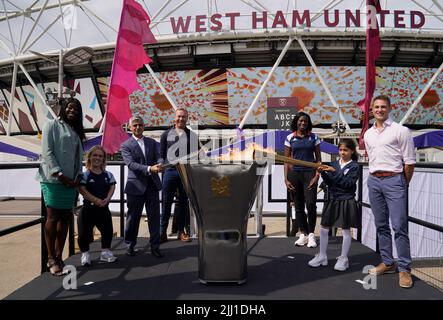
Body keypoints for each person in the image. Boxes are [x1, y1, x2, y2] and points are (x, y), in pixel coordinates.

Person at [364, 94, 416, 289]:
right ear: (372, 109)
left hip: (395, 180)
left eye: (383, 107)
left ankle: (404, 269)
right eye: (376, 107)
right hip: (374, 181)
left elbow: (409, 162)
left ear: (389, 108)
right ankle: (387, 262)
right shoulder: (368, 134)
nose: (379, 110)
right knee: (381, 225)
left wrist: (403, 183)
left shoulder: (401, 131)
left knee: (399, 226)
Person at [36, 97, 85, 275]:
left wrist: (78, 175)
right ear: (63, 108)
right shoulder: (51, 124)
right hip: (53, 179)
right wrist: (60, 174)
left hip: (71, 182)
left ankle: (59, 256)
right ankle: (50, 259)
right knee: (52, 217)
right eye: (70, 107)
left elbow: (79, 158)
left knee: (65, 218)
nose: (73, 111)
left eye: (76, 109)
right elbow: (47, 152)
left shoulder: (75, 131)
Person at [308, 139, 360, 271]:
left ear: (352, 151)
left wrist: (333, 171)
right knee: (324, 228)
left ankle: (343, 258)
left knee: (345, 230)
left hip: (346, 200)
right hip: (332, 199)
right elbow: (330, 183)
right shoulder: (334, 164)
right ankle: (322, 255)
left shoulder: (354, 166)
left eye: (345, 150)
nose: (342, 152)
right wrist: (323, 173)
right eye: (341, 150)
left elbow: (348, 183)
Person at [121, 116, 163, 258]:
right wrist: (150, 168)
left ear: (144, 126)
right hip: (135, 187)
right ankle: (129, 245)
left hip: (152, 186)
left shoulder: (152, 142)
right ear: (130, 128)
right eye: (135, 125)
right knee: (133, 218)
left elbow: (159, 156)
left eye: (140, 125)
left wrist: (160, 163)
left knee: (154, 218)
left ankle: (155, 246)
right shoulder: (126, 145)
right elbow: (131, 164)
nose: (138, 127)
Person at [159, 108, 198, 243]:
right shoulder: (165, 134)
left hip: (185, 172)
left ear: (187, 119)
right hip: (169, 171)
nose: (181, 119)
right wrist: (160, 164)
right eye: (179, 116)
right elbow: (161, 154)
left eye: (184, 117)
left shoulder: (192, 136)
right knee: (166, 202)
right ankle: (162, 232)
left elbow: (196, 155)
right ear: (174, 117)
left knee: (183, 203)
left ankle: (181, 232)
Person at [284, 112, 321, 248]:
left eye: (305, 121)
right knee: (298, 205)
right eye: (300, 121)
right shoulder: (289, 138)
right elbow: (286, 161)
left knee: (311, 204)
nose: (303, 123)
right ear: (296, 122)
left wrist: (317, 176)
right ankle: (302, 234)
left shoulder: (314, 137)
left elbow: (318, 160)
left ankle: (311, 235)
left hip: (310, 174)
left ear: (308, 123)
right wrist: (286, 179)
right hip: (294, 175)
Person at [77, 145, 117, 266]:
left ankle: (105, 253)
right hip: (88, 209)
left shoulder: (108, 175)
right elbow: (81, 189)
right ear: (89, 157)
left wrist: (107, 199)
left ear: (103, 159)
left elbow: (112, 186)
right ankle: (86, 255)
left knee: (108, 231)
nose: (97, 158)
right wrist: (95, 200)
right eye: (95, 155)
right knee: (83, 234)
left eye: (100, 156)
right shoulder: (85, 175)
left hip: (103, 208)